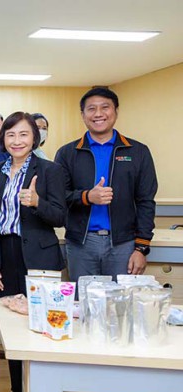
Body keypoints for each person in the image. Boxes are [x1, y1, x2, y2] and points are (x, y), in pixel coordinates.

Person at [0, 112, 67, 392]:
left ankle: (42, 391)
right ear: (2, 138)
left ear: (35, 137)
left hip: (39, 256)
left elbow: (60, 216)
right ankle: (17, 391)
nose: (17, 141)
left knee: (43, 324)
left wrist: (37, 202)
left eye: (23, 134)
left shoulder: (50, 170)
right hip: (4, 254)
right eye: (11, 135)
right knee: (12, 326)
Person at [55, 87, 158, 282]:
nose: (98, 114)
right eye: (91, 109)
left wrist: (141, 248)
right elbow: (59, 196)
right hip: (81, 244)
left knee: (120, 307)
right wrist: (87, 197)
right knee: (84, 305)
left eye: (105, 107)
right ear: (83, 115)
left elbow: (146, 201)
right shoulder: (67, 153)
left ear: (116, 112)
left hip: (123, 244)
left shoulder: (138, 151)